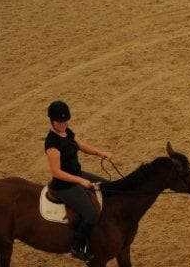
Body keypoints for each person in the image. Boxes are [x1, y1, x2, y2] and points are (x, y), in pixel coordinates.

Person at [44, 100, 113, 263]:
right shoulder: (52, 143)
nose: (63, 124)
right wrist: (80, 181)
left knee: (108, 187)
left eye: (65, 121)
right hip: (64, 185)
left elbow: (79, 145)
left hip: (77, 174)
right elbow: (56, 172)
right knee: (91, 214)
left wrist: (99, 152)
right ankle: (77, 245)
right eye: (60, 122)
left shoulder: (67, 131)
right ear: (52, 121)